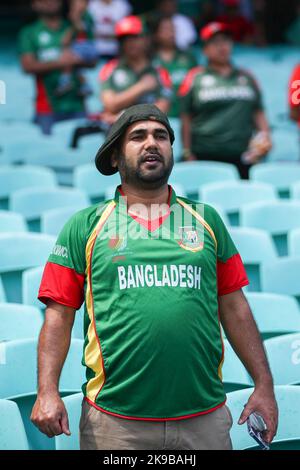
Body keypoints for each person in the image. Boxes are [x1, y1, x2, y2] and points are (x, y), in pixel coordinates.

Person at [31, 103, 278, 450]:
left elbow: (235, 308)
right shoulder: (84, 226)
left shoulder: (207, 220)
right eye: (138, 137)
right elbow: (58, 316)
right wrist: (47, 391)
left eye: (161, 136)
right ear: (115, 157)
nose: (152, 143)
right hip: (116, 424)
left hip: (203, 419)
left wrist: (264, 385)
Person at [179, 22, 272, 179]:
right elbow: (186, 117)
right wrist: (187, 152)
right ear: (205, 49)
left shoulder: (247, 76)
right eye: (215, 42)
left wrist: (265, 138)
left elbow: (258, 112)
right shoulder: (194, 77)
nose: (222, 46)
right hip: (205, 154)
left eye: (226, 41)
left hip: (243, 154)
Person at [18, 0, 94, 135]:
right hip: (47, 108)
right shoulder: (29, 32)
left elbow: (92, 60)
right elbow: (27, 66)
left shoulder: (75, 26)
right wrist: (61, 62)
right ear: (34, 4)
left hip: (77, 105)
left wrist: (77, 16)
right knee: (45, 152)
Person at [99, 15, 172, 126]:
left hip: (150, 134)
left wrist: (120, 117)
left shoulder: (160, 71)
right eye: (125, 39)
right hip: (116, 135)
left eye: (135, 37)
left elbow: (161, 110)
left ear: (146, 39)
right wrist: (142, 87)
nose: (130, 42)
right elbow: (110, 104)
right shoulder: (110, 68)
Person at [152, 16, 198, 118]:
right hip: (158, 118)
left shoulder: (189, 58)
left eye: (173, 29)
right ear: (156, 34)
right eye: (166, 29)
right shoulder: (149, 60)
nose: (171, 33)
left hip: (187, 117)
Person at [55, 0, 97, 97]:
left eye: (80, 2)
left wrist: (74, 17)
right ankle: (85, 86)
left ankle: (65, 81)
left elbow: (80, 28)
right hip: (82, 46)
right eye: (74, 3)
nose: (77, 5)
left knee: (67, 57)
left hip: (87, 46)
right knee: (78, 69)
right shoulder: (78, 16)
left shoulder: (86, 15)